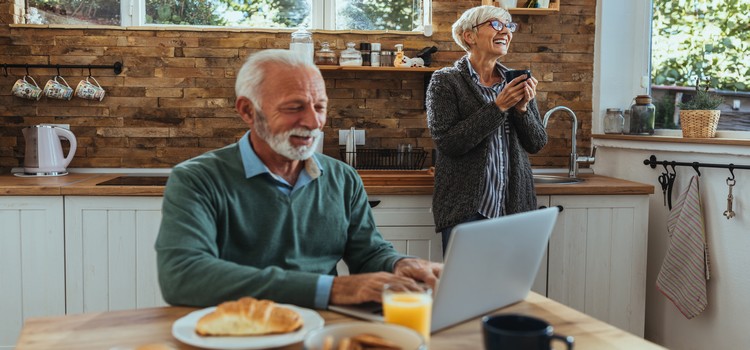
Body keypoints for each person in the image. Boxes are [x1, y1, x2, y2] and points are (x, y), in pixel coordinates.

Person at [155, 49, 441, 310]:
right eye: (294, 107)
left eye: (320, 107)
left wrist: (398, 263)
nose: (313, 122)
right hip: (236, 331)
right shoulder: (196, 180)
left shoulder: (343, 178)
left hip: (324, 331)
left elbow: (367, 253)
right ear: (247, 111)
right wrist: (328, 289)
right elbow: (183, 276)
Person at [426, 5, 548, 254]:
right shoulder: (445, 81)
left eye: (509, 26)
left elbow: (536, 143)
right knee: (464, 289)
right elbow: (449, 142)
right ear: (469, 36)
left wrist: (522, 110)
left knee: (509, 291)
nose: (505, 31)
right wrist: (498, 106)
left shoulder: (516, 80)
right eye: (495, 25)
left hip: (514, 210)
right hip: (467, 211)